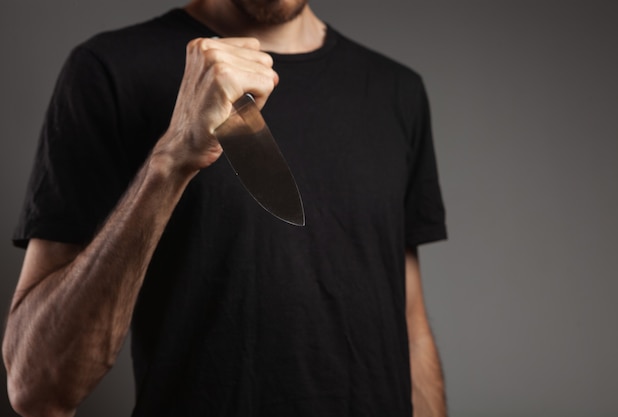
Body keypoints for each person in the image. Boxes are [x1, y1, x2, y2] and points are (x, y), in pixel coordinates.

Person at [3, 0, 448, 416]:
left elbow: (409, 323)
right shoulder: (108, 70)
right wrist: (172, 158)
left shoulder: (397, 91)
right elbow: (36, 386)